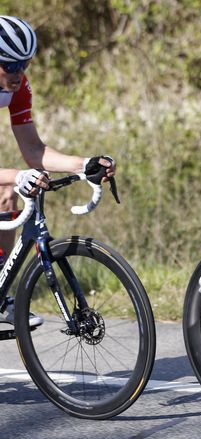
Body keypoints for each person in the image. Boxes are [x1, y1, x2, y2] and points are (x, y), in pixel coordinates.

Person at [0, 15, 115, 329]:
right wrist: (18, 176)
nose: (19, 73)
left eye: (25, 64)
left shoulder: (17, 87)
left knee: (7, 195)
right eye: (10, 66)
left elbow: (34, 150)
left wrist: (85, 164)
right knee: (7, 188)